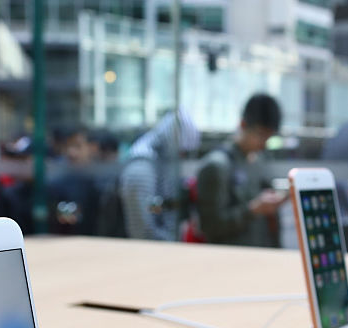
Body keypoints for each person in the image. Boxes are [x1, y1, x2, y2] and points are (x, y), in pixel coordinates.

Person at [195, 94, 285, 247]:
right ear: (243, 125)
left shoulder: (259, 161)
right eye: (261, 135)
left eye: (269, 137)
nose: (264, 144)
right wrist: (252, 210)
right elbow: (209, 228)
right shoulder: (216, 166)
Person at [119, 111, 200, 241]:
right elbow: (141, 232)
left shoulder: (162, 163)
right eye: (182, 152)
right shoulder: (141, 169)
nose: (183, 157)